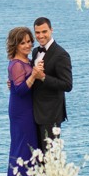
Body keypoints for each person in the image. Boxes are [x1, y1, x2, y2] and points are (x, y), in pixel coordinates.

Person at [3, 26, 40, 176]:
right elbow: (20, 90)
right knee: (21, 153)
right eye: (22, 42)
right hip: (21, 113)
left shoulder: (29, 60)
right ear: (15, 44)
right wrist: (34, 75)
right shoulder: (16, 64)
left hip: (28, 111)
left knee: (30, 153)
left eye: (28, 41)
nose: (27, 45)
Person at [31, 17, 73, 149]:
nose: (41, 36)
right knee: (37, 157)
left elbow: (67, 85)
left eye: (44, 31)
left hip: (51, 115)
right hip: (35, 113)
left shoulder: (61, 54)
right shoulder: (35, 51)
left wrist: (43, 77)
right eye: (37, 32)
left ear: (51, 30)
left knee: (51, 156)